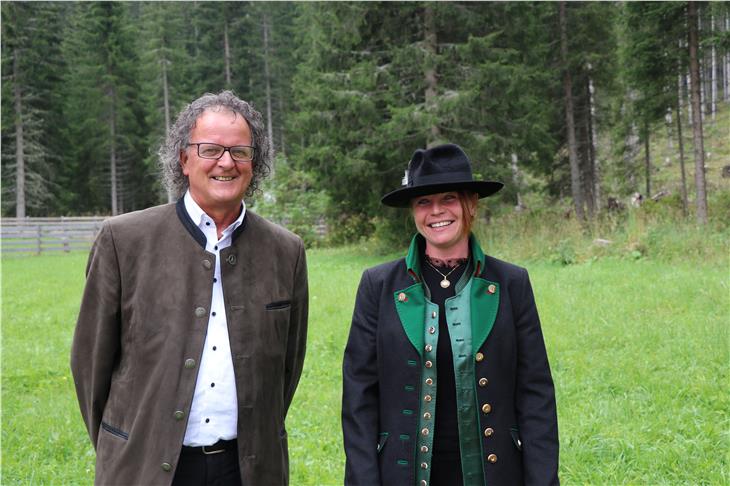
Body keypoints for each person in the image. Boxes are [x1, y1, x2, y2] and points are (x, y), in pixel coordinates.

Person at [71, 91, 308, 486]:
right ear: (184, 159)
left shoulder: (286, 251)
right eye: (211, 149)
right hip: (146, 468)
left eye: (240, 151)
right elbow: (89, 365)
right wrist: (126, 446)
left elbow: (287, 369)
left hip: (248, 471)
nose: (226, 163)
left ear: (255, 162)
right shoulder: (124, 241)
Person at [342, 144, 558, 486]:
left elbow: (536, 395)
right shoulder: (378, 285)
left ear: (470, 203)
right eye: (424, 202)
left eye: (448, 199)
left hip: (496, 475)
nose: (436, 211)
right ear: (413, 211)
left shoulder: (511, 283)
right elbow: (359, 398)